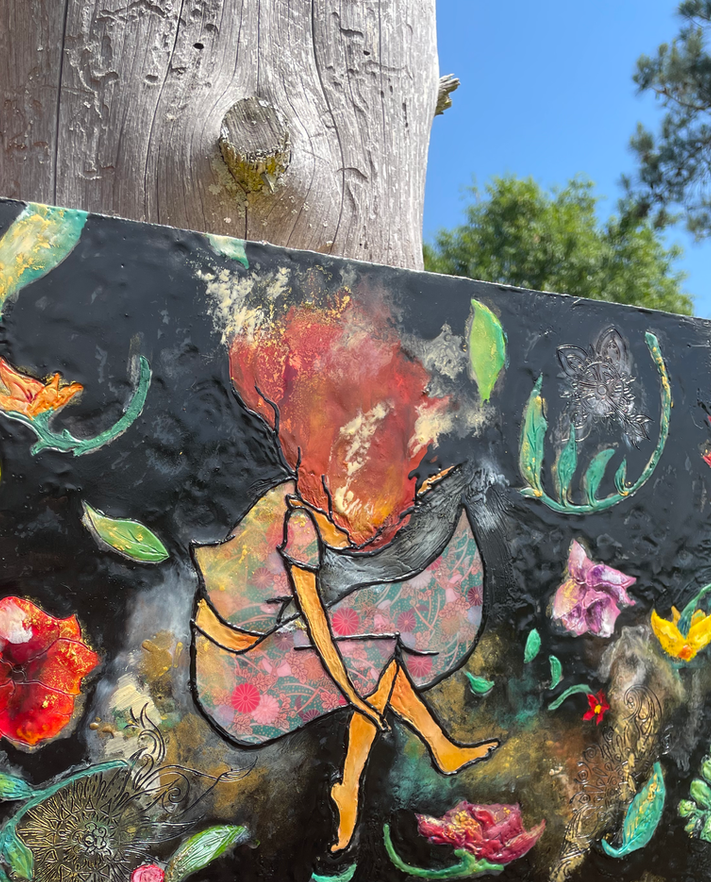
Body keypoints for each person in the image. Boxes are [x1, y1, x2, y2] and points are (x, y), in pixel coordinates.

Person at [191, 292, 497, 853]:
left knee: (380, 628)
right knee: (372, 649)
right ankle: (354, 781)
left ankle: (434, 747)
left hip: (262, 641)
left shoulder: (319, 495)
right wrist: (355, 699)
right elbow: (317, 629)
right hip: (233, 676)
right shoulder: (300, 519)